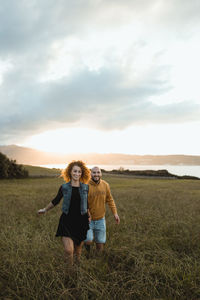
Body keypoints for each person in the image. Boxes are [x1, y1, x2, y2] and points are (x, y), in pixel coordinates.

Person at [38, 160, 91, 266]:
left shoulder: (85, 187)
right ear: (70, 172)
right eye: (75, 171)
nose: (77, 174)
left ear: (82, 173)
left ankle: (77, 271)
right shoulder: (64, 187)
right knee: (68, 250)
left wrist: (89, 216)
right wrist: (45, 209)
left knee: (78, 252)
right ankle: (69, 273)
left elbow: (86, 204)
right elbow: (56, 200)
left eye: (79, 172)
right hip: (67, 221)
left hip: (81, 221)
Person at [84, 166, 120, 254]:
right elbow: (82, 203)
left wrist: (115, 213)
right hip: (87, 219)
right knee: (88, 240)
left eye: (98, 172)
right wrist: (87, 215)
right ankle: (87, 253)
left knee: (100, 242)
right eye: (94, 172)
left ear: (101, 173)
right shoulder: (85, 185)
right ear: (90, 174)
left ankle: (97, 259)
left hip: (100, 219)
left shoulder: (105, 185)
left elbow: (110, 200)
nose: (96, 174)